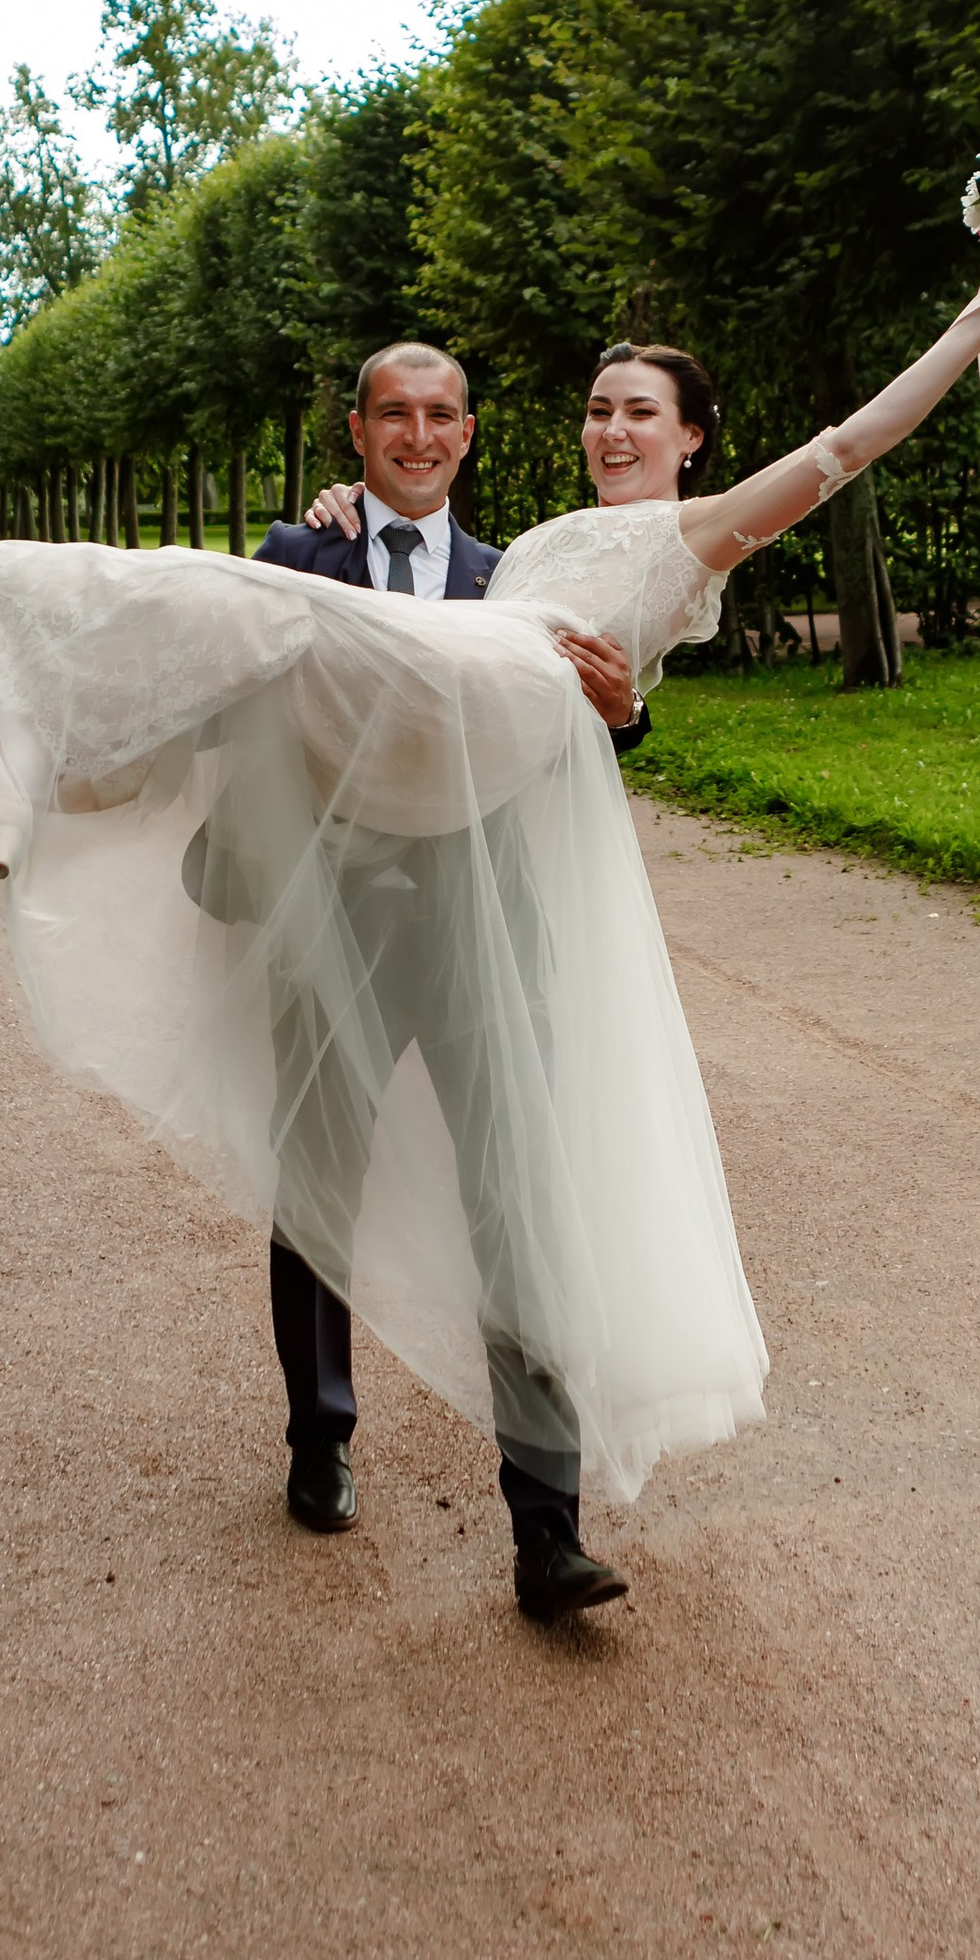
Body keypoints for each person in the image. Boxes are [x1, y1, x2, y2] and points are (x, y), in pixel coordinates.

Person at [0, 237, 980, 1627]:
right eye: (599, 407)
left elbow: (848, 446)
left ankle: (547, 1530)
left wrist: (974, 322)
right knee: (242, 629)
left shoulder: (679, 539)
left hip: (480, 899)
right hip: (351, 872)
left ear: (694, 441)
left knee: (517, 1205)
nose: (616, 428)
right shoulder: (518, 553)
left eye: (644, 412)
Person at [246, 342, 649, 1591]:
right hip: (335, 933)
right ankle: (321, 1436)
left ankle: (548, 1521)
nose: (417, 436)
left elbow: (572, 754)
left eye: (439, 416)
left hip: (488, 938)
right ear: (355, 434)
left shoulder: (515, 580)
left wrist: (622, 712)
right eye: (393, 416)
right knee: (318, 1192)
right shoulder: (291, 561)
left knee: (519, 1210)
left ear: (468, 436)